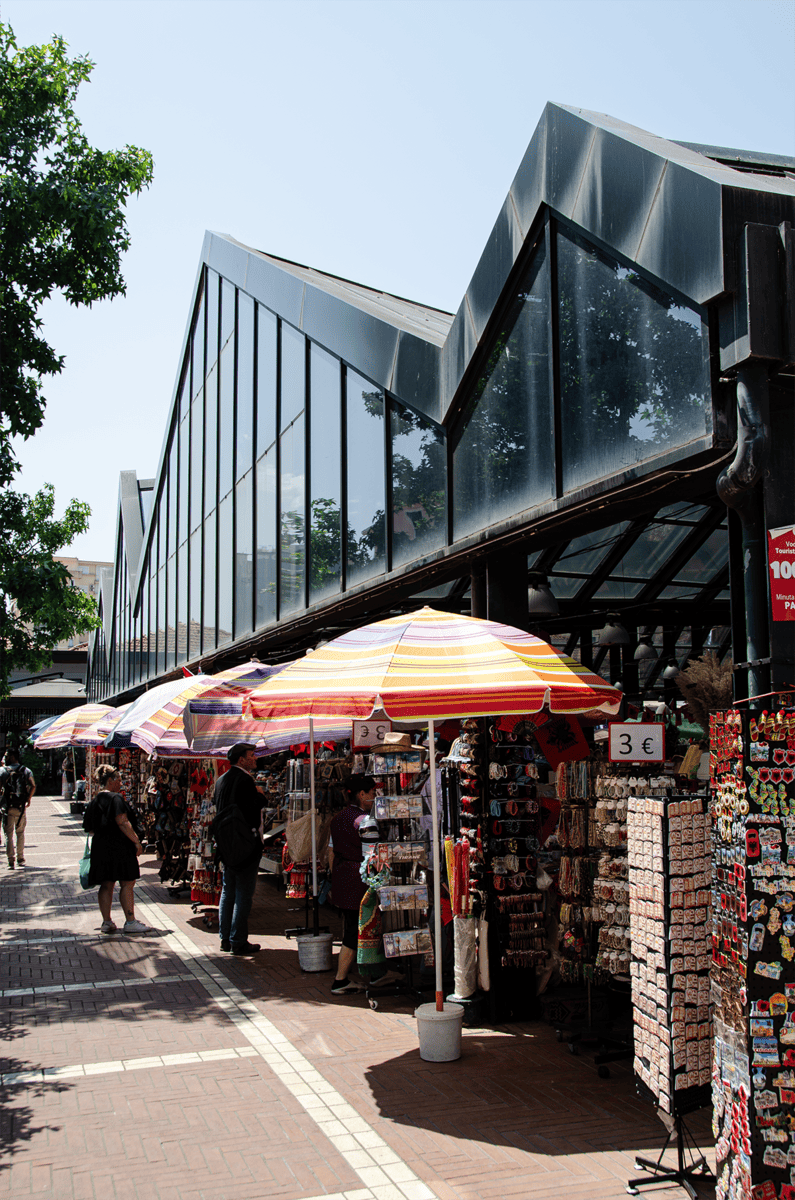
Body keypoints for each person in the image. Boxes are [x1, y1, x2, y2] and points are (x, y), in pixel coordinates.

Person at [327, 775, 401, 995]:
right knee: (355, 930)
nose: (374, 797)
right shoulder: (365, 821)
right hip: (359, 880)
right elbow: (372, 856)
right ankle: (340, 980)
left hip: (343, 876)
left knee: (358, 926)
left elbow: (331, 851)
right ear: (361, 795)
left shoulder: (337, 818)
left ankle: (376, 973)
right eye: (372, 793)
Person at [87, 764, 155, 935]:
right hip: (119, 847)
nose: (120, 782)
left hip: (100, 846)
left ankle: (106, 921)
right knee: (127, 883)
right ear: (110, 780)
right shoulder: (116, 798)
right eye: (118, 779)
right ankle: (130, 921)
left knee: (106, 883)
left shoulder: (95, 800)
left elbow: (89, 827)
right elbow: (122, 821)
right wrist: (137, 842)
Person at [214, 743, 263, 956]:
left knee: (228, 891)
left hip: (226, 844)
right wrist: (260, 795)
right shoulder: (245, 780)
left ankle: (225, 938)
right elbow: (251, 811)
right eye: (252, 755)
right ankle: (238, 940)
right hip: (244, 844)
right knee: (243, 892)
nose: (255, 758)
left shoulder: (221, 781)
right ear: (242, 760)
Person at [1, 749, 36, 869]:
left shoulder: (3, 771)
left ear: (12, 757)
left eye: (6, 756)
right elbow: (33, 785)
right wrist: (29, 798)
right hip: (21, 807)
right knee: (20, 833)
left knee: (8, 834)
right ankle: (20, 858)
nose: (5, 758)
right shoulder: (26, 770)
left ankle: (11, 860)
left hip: (7, 807)